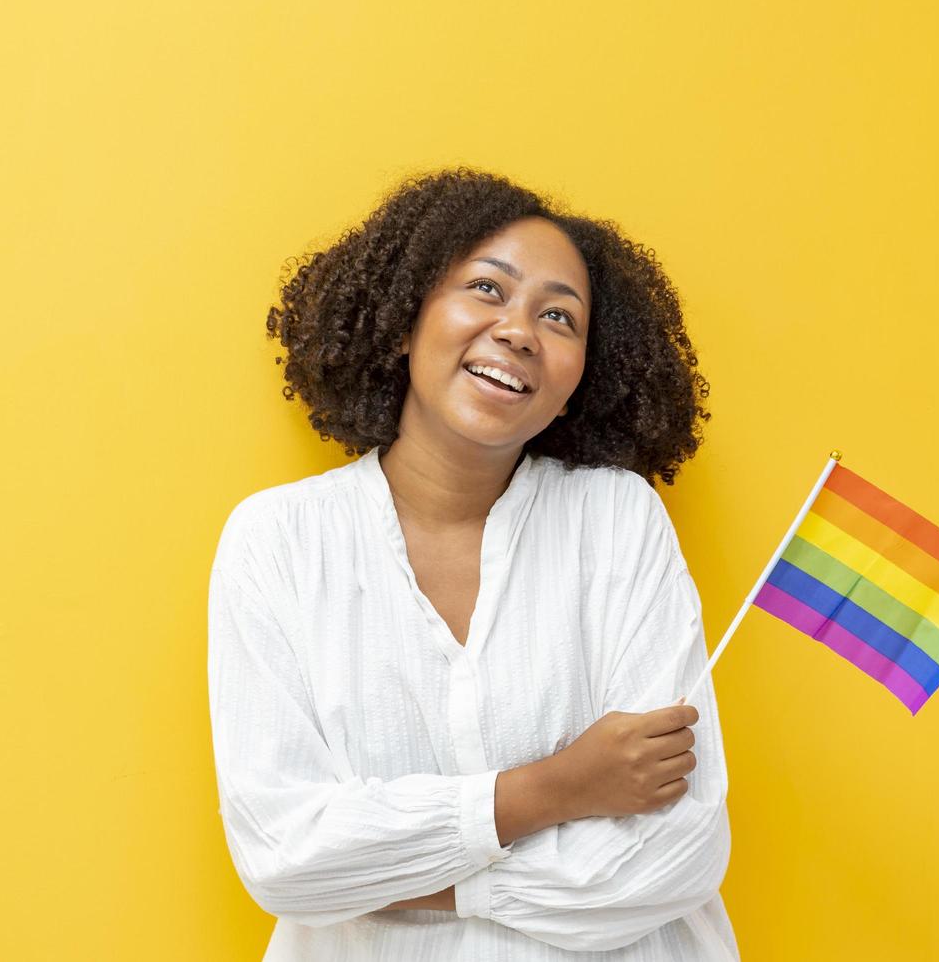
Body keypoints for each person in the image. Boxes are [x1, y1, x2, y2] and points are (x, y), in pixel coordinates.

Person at [207, 168, 738, 960]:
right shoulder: (277, 542)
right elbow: (285, 856)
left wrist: (407, 876)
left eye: (560, 316)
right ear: (401, 322)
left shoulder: (618, 520)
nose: (520, 329)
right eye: (487, 289)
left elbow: (678, 849)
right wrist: (552, 790)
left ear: (578, 381)